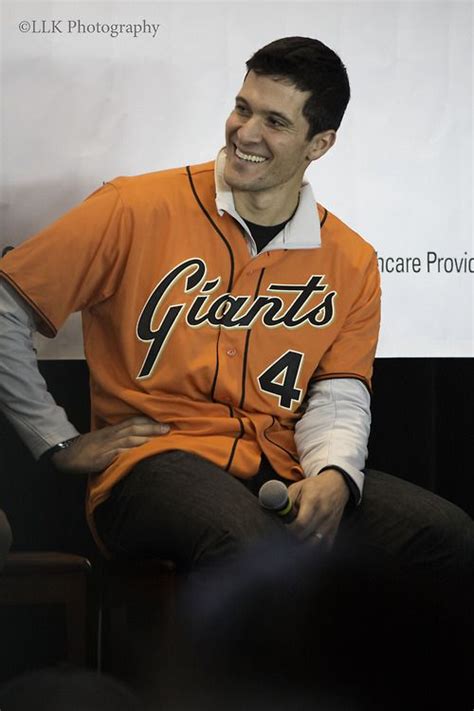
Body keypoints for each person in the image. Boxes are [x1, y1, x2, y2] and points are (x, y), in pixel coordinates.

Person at [0, 38, 472, 590]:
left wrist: (335, 474)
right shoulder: (133, 207)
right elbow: (6, 306)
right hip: (155, 465)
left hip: (282, 466)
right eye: (242, 108)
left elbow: (338, 392)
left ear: (319, 143)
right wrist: (54, 439)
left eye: (275, 120)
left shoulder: (352, 258)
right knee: (248, 544)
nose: (246, 133)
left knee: (449, 536)